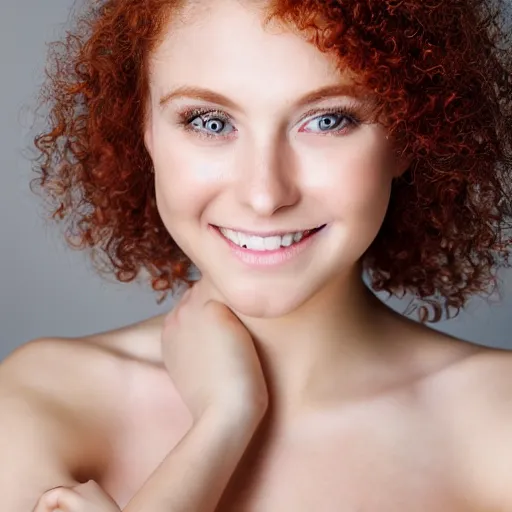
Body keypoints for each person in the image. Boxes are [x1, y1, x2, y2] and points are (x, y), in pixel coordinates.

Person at [1, 0, 512, 510]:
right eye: (211, 122)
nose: (265, 195)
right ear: (146, 131)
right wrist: (222, 422)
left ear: (406, 135)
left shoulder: (495, 420)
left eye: (328, 120)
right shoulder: (45, 397)